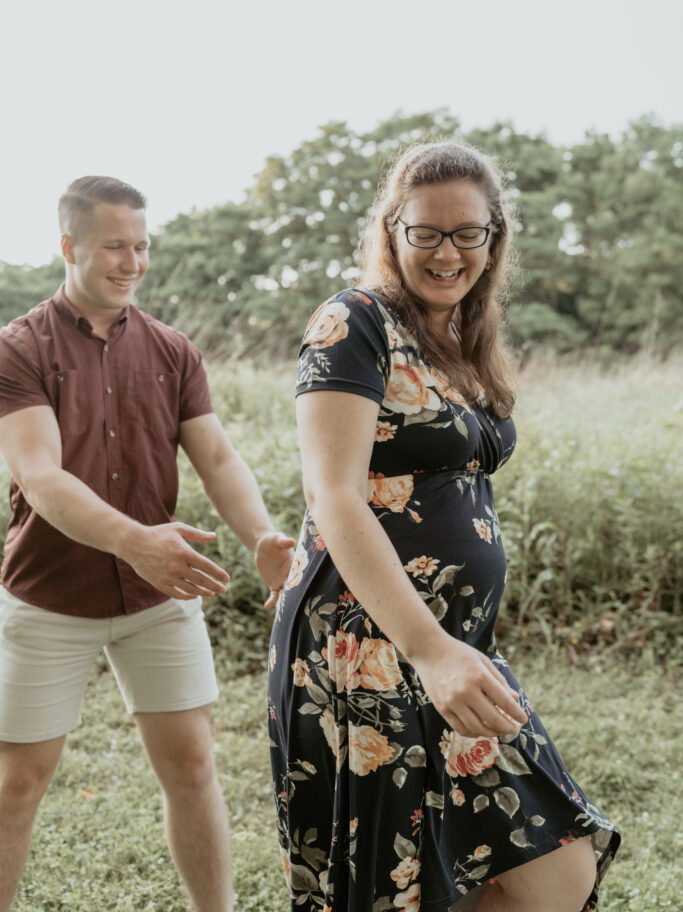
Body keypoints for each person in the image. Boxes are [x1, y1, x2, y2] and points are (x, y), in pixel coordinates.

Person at [267, 142, 620, 912]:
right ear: (391, 231)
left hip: (454, 646)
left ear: (495, 238)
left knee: (553, 873)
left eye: (469, 233)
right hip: (371, 644)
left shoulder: (462, 338)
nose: (446, 251)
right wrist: (429, 651)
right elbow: (333, 494)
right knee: (396, 886)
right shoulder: (354, 321)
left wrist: (448, 647)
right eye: (425, 232)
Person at [0, 175, 294, 912]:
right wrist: (140, 542)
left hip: (157, 596)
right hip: (48, 592)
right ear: (68, 246)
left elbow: (218, 460)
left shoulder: (172, 350)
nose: (131, 263)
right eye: (113, 247)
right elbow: (39, 476)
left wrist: (259, 534)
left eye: (140, 247)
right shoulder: (17, 349)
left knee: (193, 764)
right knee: (17, 783)